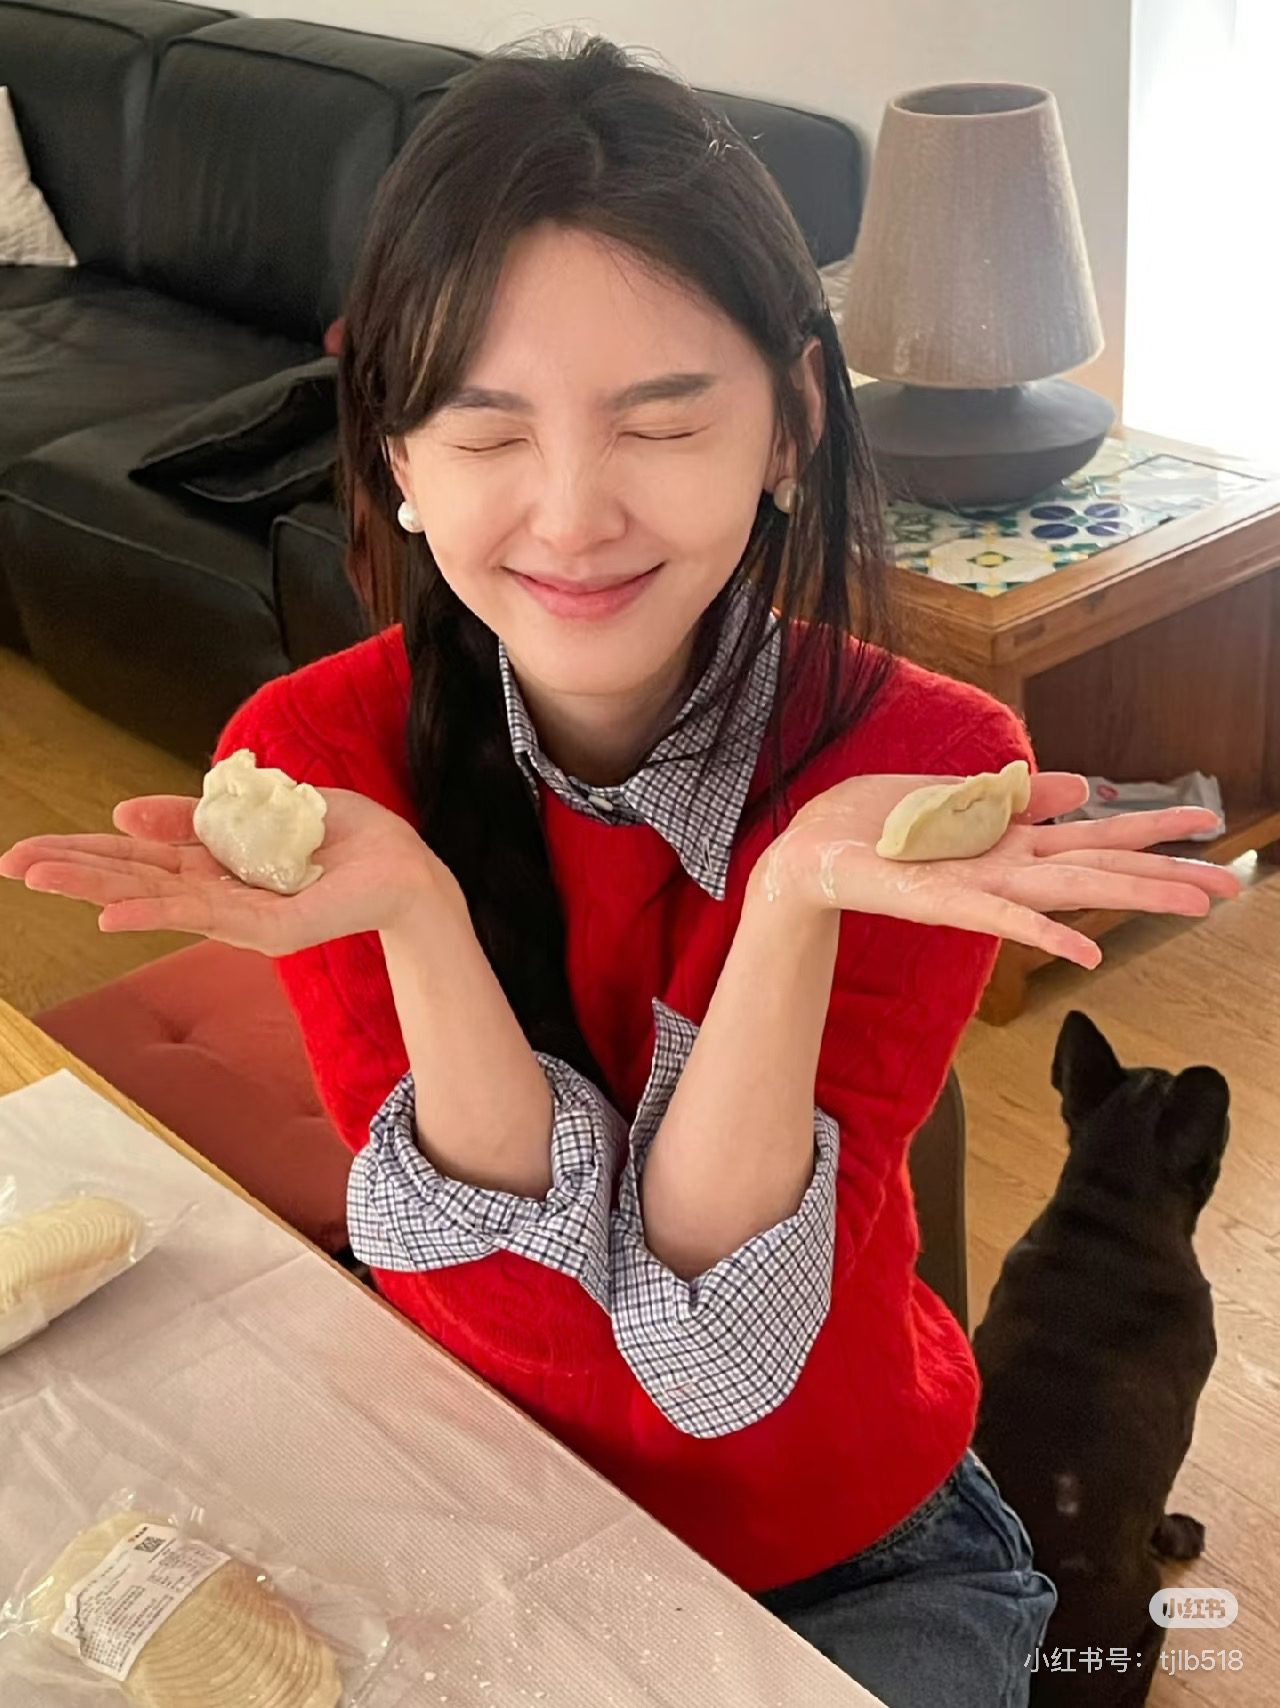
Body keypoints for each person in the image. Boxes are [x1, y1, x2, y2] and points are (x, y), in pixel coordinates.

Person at [0, 37, 1239, 1707]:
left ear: (791, 427)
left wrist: (793, 900)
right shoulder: (314, 760)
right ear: (395, 456)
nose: (573, 516)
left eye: (662, 421)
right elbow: (506, 1313)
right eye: (485, 431)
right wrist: (420, 918)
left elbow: (715, 1364)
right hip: (479, 1496)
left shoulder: (924, 776)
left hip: (854, 1554)